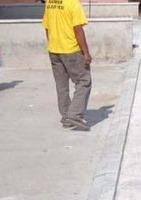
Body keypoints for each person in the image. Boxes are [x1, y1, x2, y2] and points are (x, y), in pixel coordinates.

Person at [42, 0, 92, 131]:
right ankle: (74, 115)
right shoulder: (73, 3)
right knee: (84, 81)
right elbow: (78, 29)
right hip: (71, 50)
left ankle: (66, 117)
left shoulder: (50, 2)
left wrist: (52, 44)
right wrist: (85, 52)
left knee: (61, 85)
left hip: (54, 50)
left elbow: (47, 28)